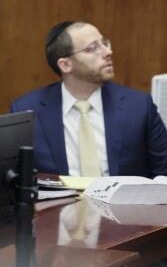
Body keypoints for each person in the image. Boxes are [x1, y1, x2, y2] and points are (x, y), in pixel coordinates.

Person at [10, 21, 167, 178]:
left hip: (124, 202)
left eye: (105, 43)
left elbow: (163, 174)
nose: (108, 52)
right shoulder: (26, 112)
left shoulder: (139, 106)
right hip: (60, 202)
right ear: (65, 65)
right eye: (93, 48)